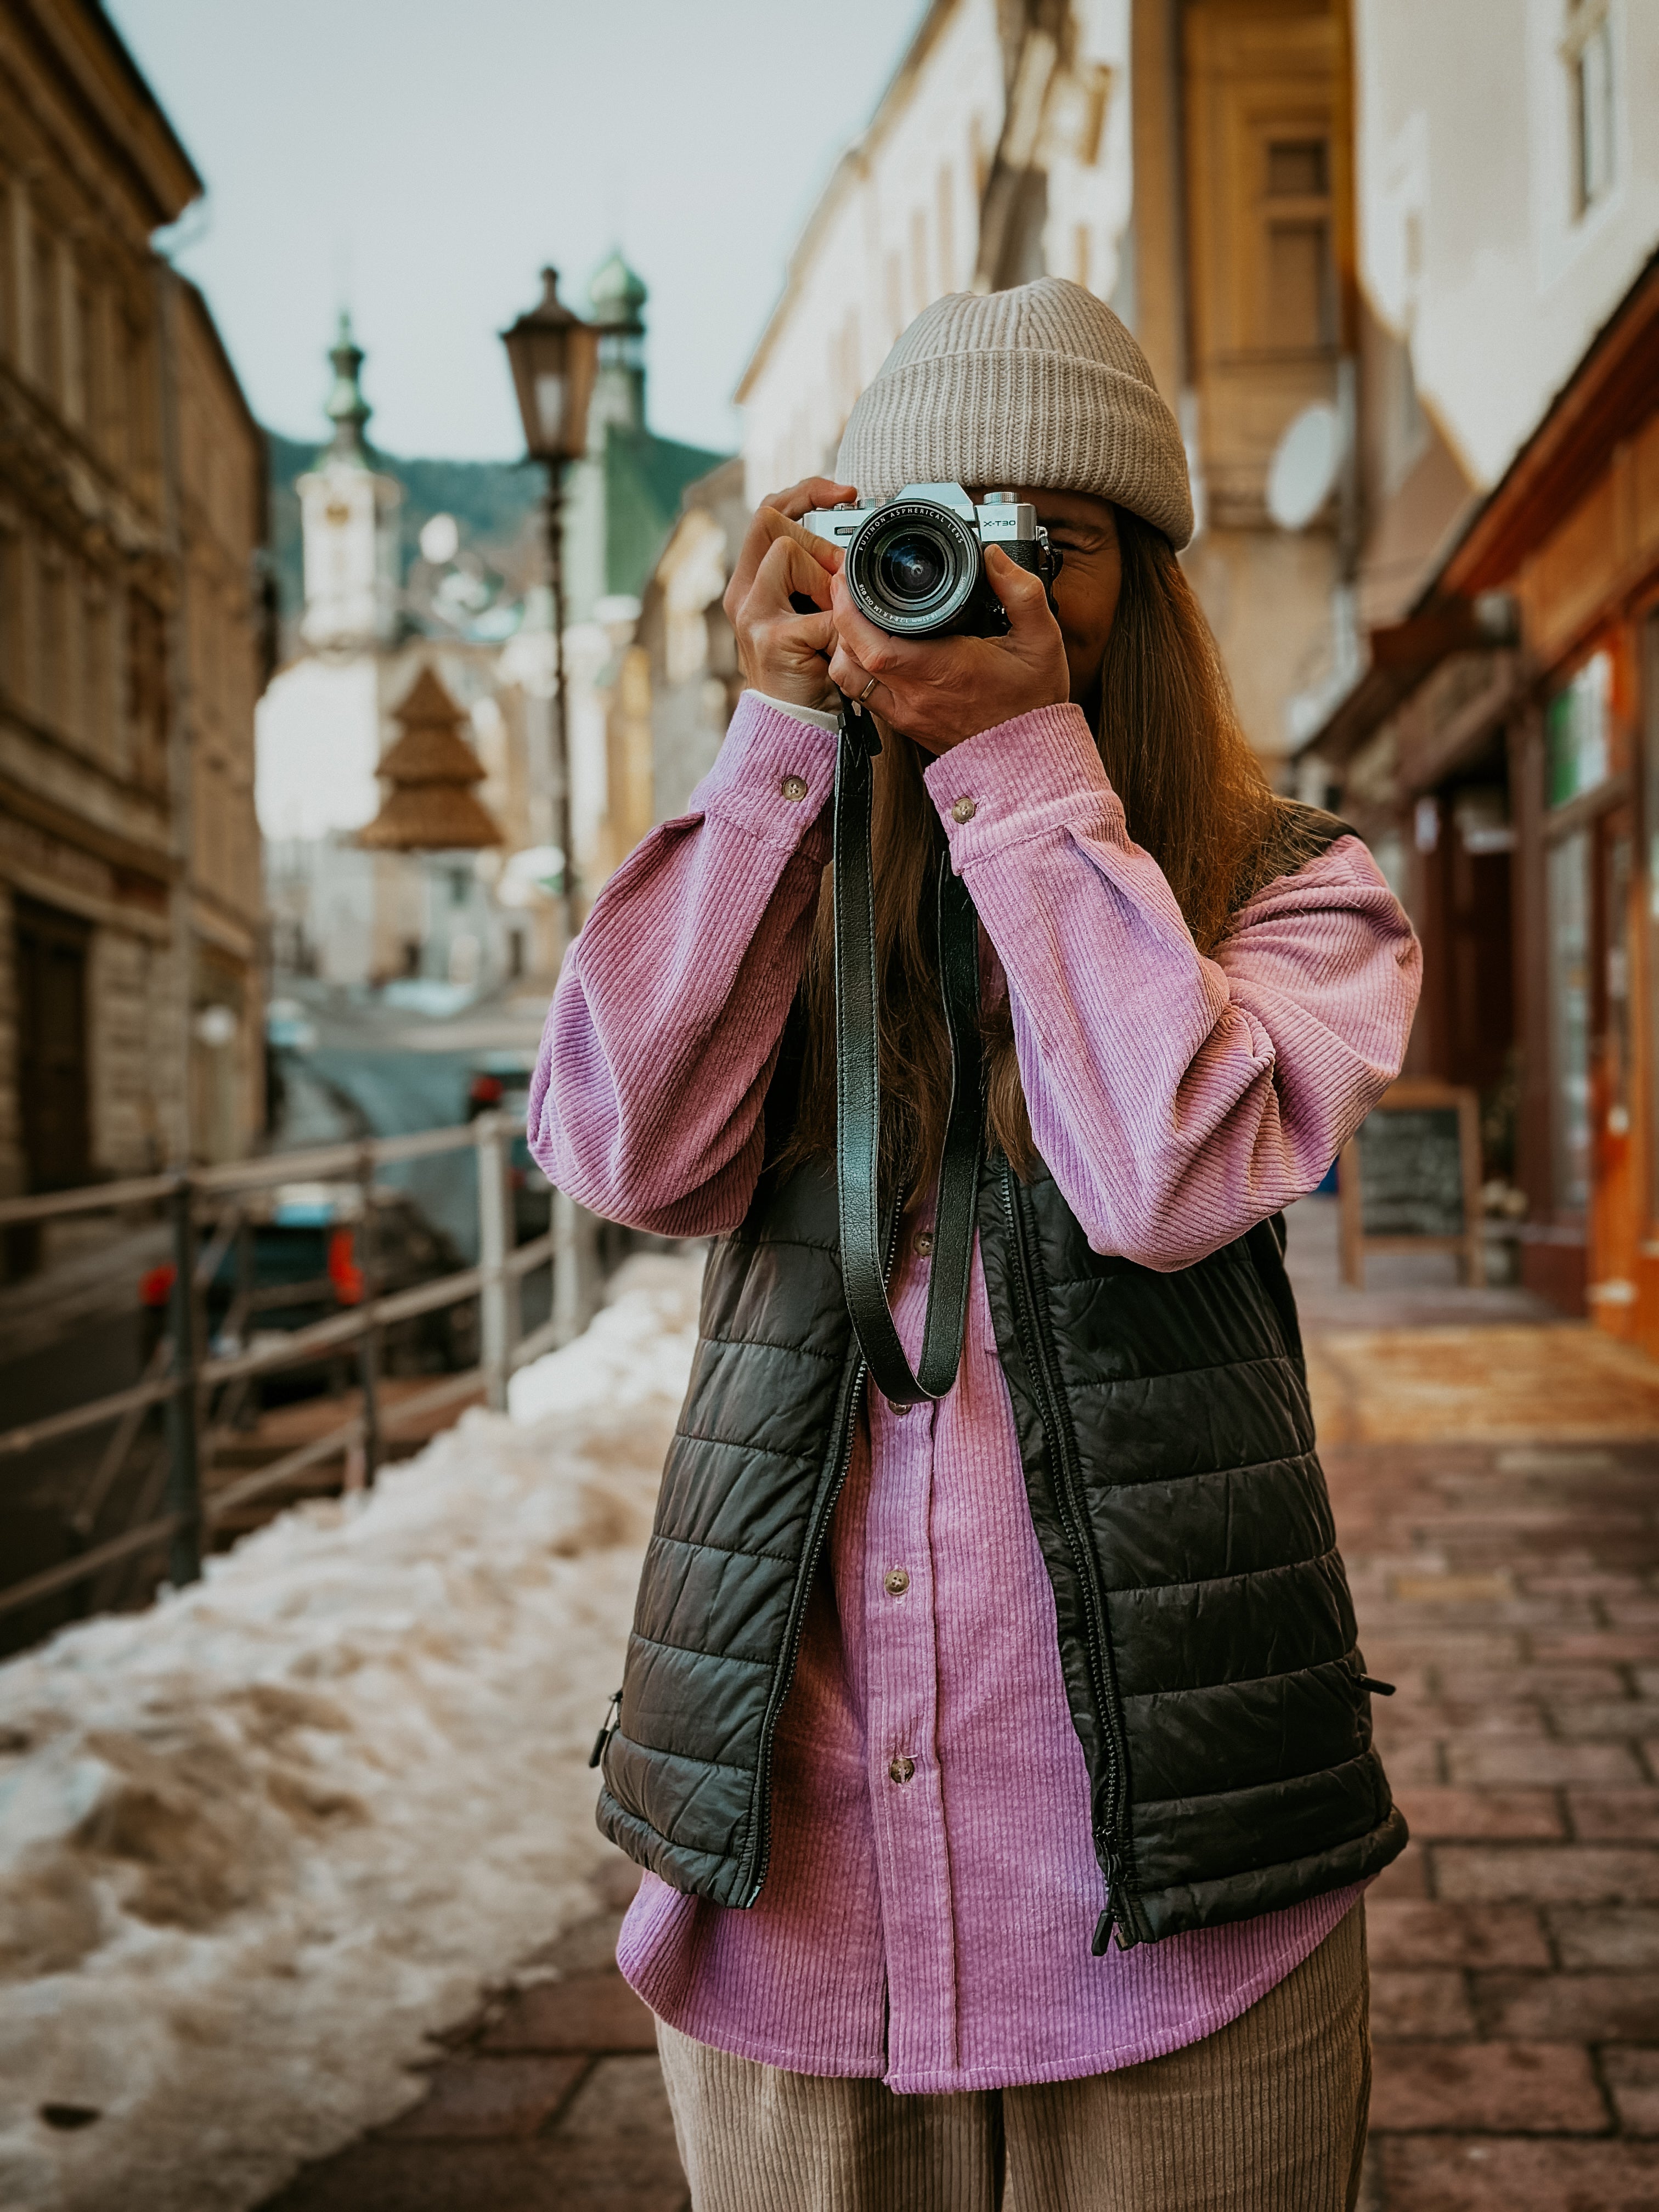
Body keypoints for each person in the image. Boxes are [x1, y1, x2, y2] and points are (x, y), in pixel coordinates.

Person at [529, 279, 1421, 2212]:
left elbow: (1165, 1176)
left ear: (1147, 589)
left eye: (1056, 543)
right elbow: (613, 1149)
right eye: (934, 532)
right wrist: (775, 745)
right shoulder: (791, 881)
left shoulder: (1299, 892)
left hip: (1176, 1892)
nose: (990, 580)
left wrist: (1018, 775)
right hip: (793, 1883)